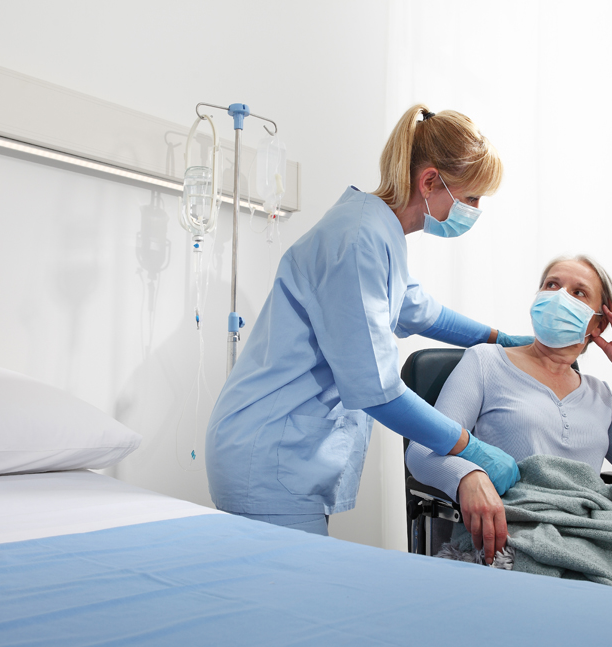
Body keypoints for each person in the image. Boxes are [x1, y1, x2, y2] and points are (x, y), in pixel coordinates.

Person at [205, 105, 532, 536]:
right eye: (471, 198)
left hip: (284, 447)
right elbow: (379, 392)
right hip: (267, 451)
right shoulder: (359, 239)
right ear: (430, 181)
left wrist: (498, 338)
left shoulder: (380, 232)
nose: (474, 210)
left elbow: (419, 309)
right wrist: (470, 449)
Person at [406, 255, 612, 563]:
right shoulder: (485, 362)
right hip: (515, 534)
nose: (560, 297)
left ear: (599, 323)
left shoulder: (600, 395)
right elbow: (420, 451)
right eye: (552, 285)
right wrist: (467, 476)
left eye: (578, 292)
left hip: (589, 537)